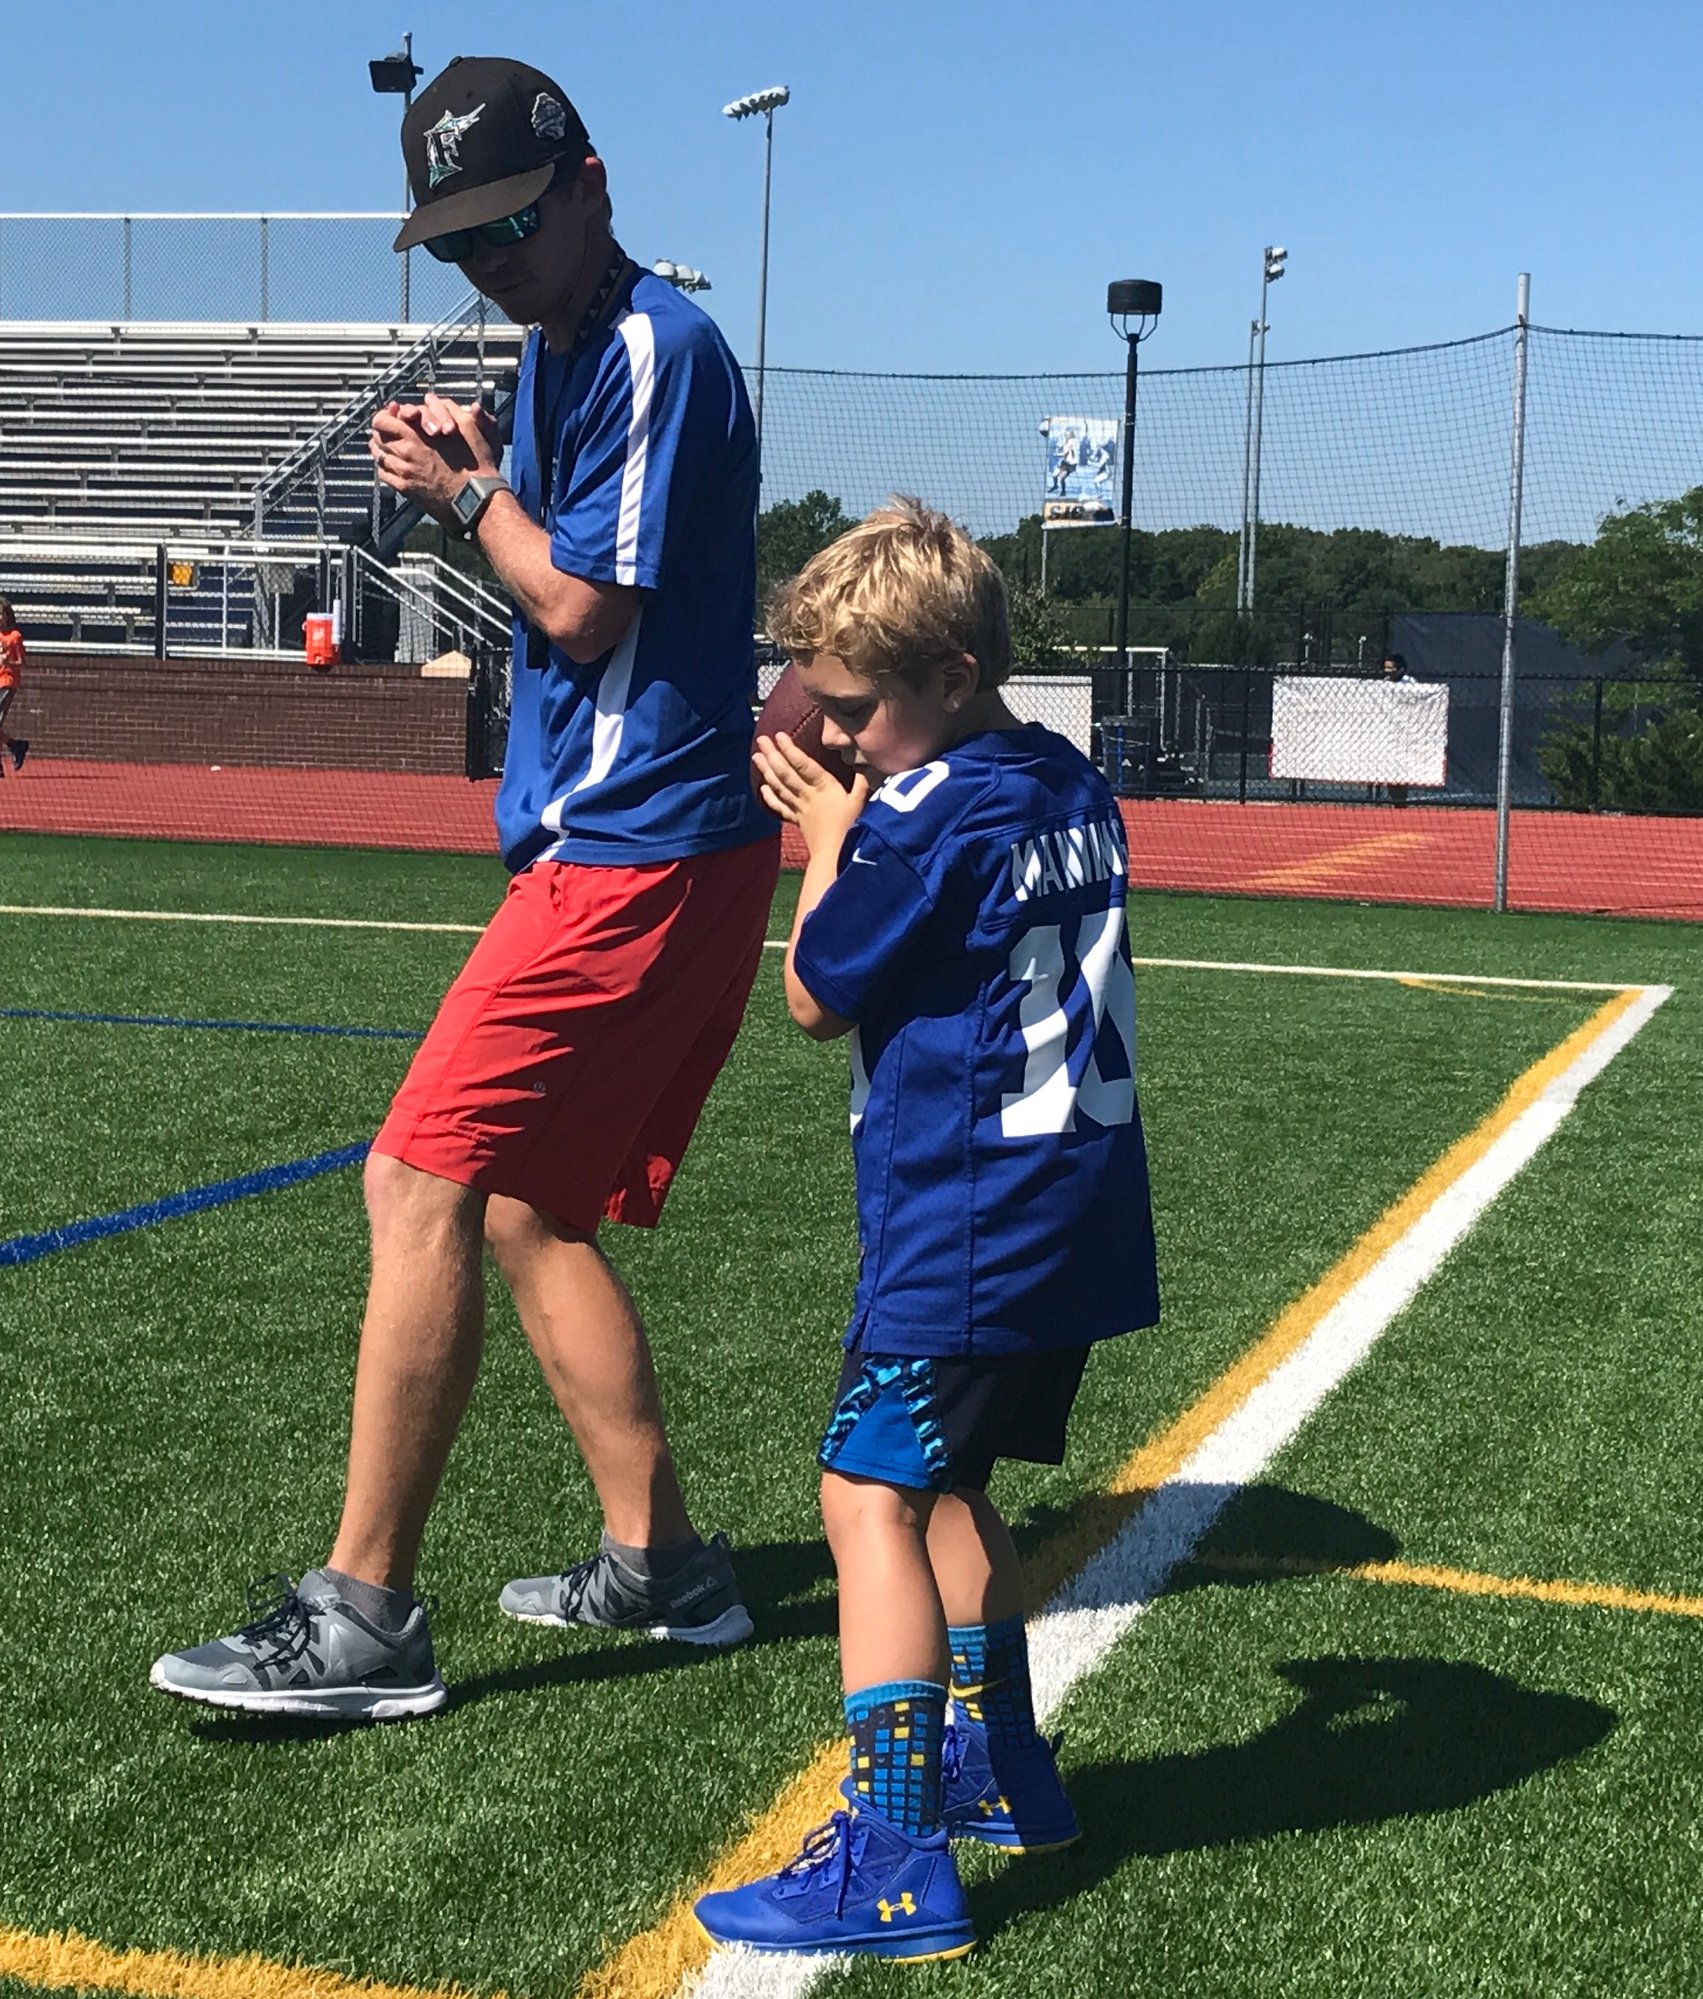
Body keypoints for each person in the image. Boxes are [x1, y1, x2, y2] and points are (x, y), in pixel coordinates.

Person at [151, 56, 779, 1720]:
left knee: (416, 1176)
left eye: (507, 223)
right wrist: (487, 466)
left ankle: (365, 1611)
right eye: (457, 239)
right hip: (641, 840)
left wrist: (468, 492)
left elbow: (578, 608)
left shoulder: (650, 348)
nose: (486, 260)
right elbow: (564, 570)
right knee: (526, 1206)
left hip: (638, 844)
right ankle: (664, 1561)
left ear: (589, 184)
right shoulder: (564, 349)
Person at [693, 501, 1160, 1961]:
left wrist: (829, 838)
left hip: (965, 1216)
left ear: (952, 676)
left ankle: (894, 1853)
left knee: (864, 1498)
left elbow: (812, 993)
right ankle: (1004, 1764)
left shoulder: (915, 809)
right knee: (951, 1484)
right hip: (1071, 1205)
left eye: (853, 711)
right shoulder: (1069, 776)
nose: (835, 737)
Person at [0, 599, 28, 775]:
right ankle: (15, 745)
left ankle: (15, 745)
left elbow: (22, 662)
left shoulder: (15, 636)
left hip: (7, 682)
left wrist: (9, 662)